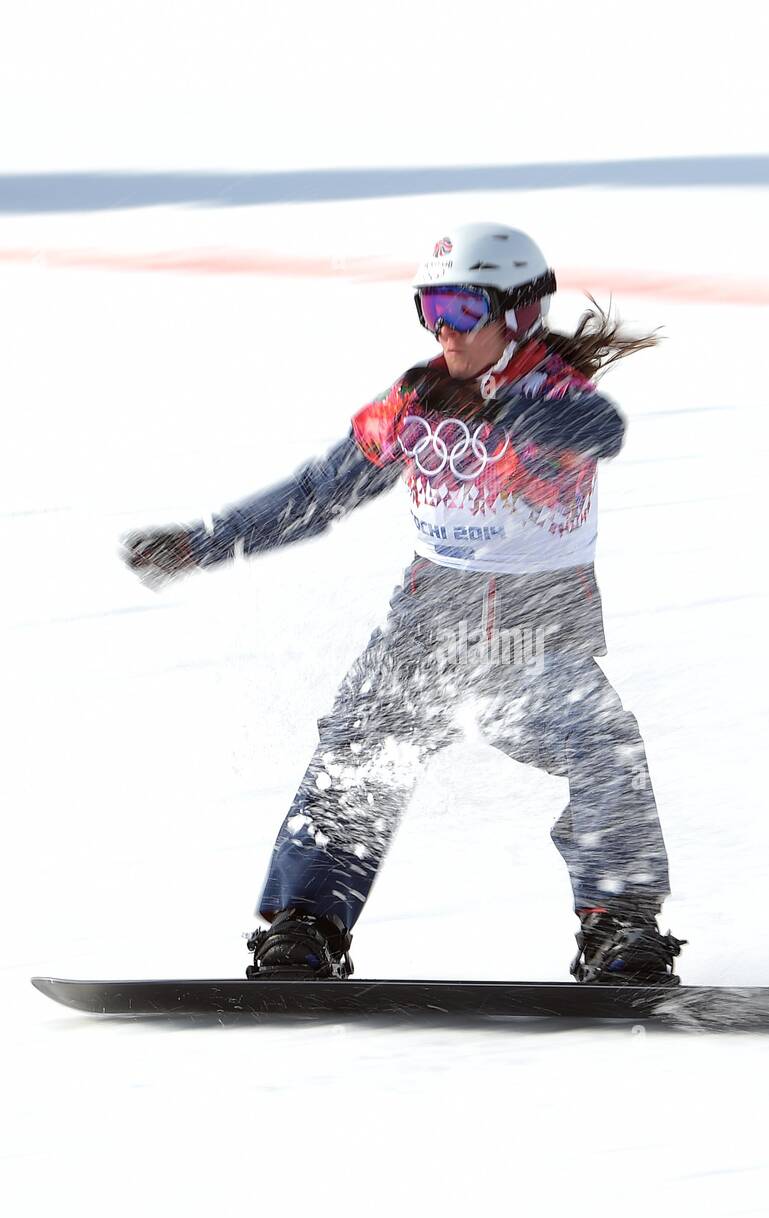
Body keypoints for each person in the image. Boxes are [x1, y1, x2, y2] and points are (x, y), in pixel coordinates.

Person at [123, 222, 684, 986]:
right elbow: (320, 493)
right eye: (431, 309)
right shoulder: (415, 402)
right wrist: (204, 542)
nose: (443, 330)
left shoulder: (553, 392)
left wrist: (502, 413)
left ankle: (619, 929)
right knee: (358, 748)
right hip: (431, 620)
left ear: (518, 313)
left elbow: (600, 429)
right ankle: (305, 927)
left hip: (533, 628)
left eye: (462, 309)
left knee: (601, 747)